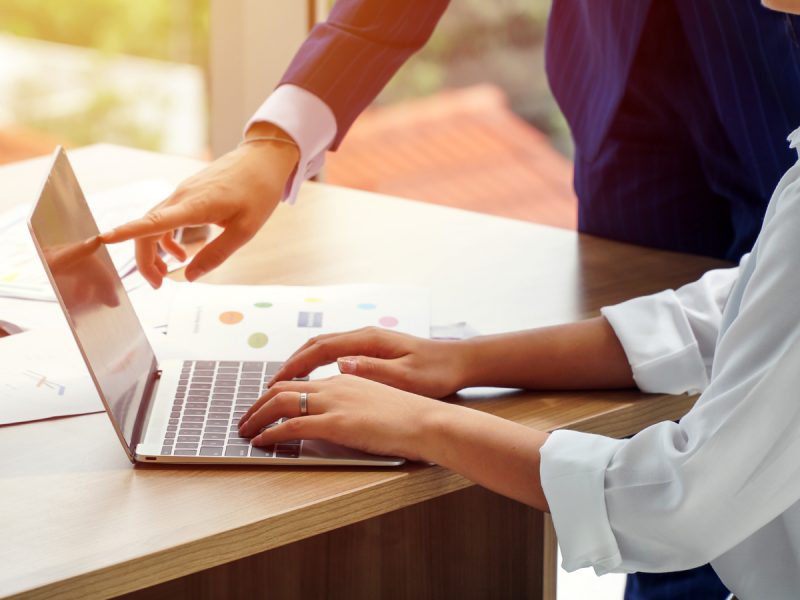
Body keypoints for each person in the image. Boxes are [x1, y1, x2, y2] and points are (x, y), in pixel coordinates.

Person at [100, 1, 800, 597]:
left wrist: (419, 426)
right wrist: (463, 361)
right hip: (626, 91)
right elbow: (727, 313)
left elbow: (675, 505)